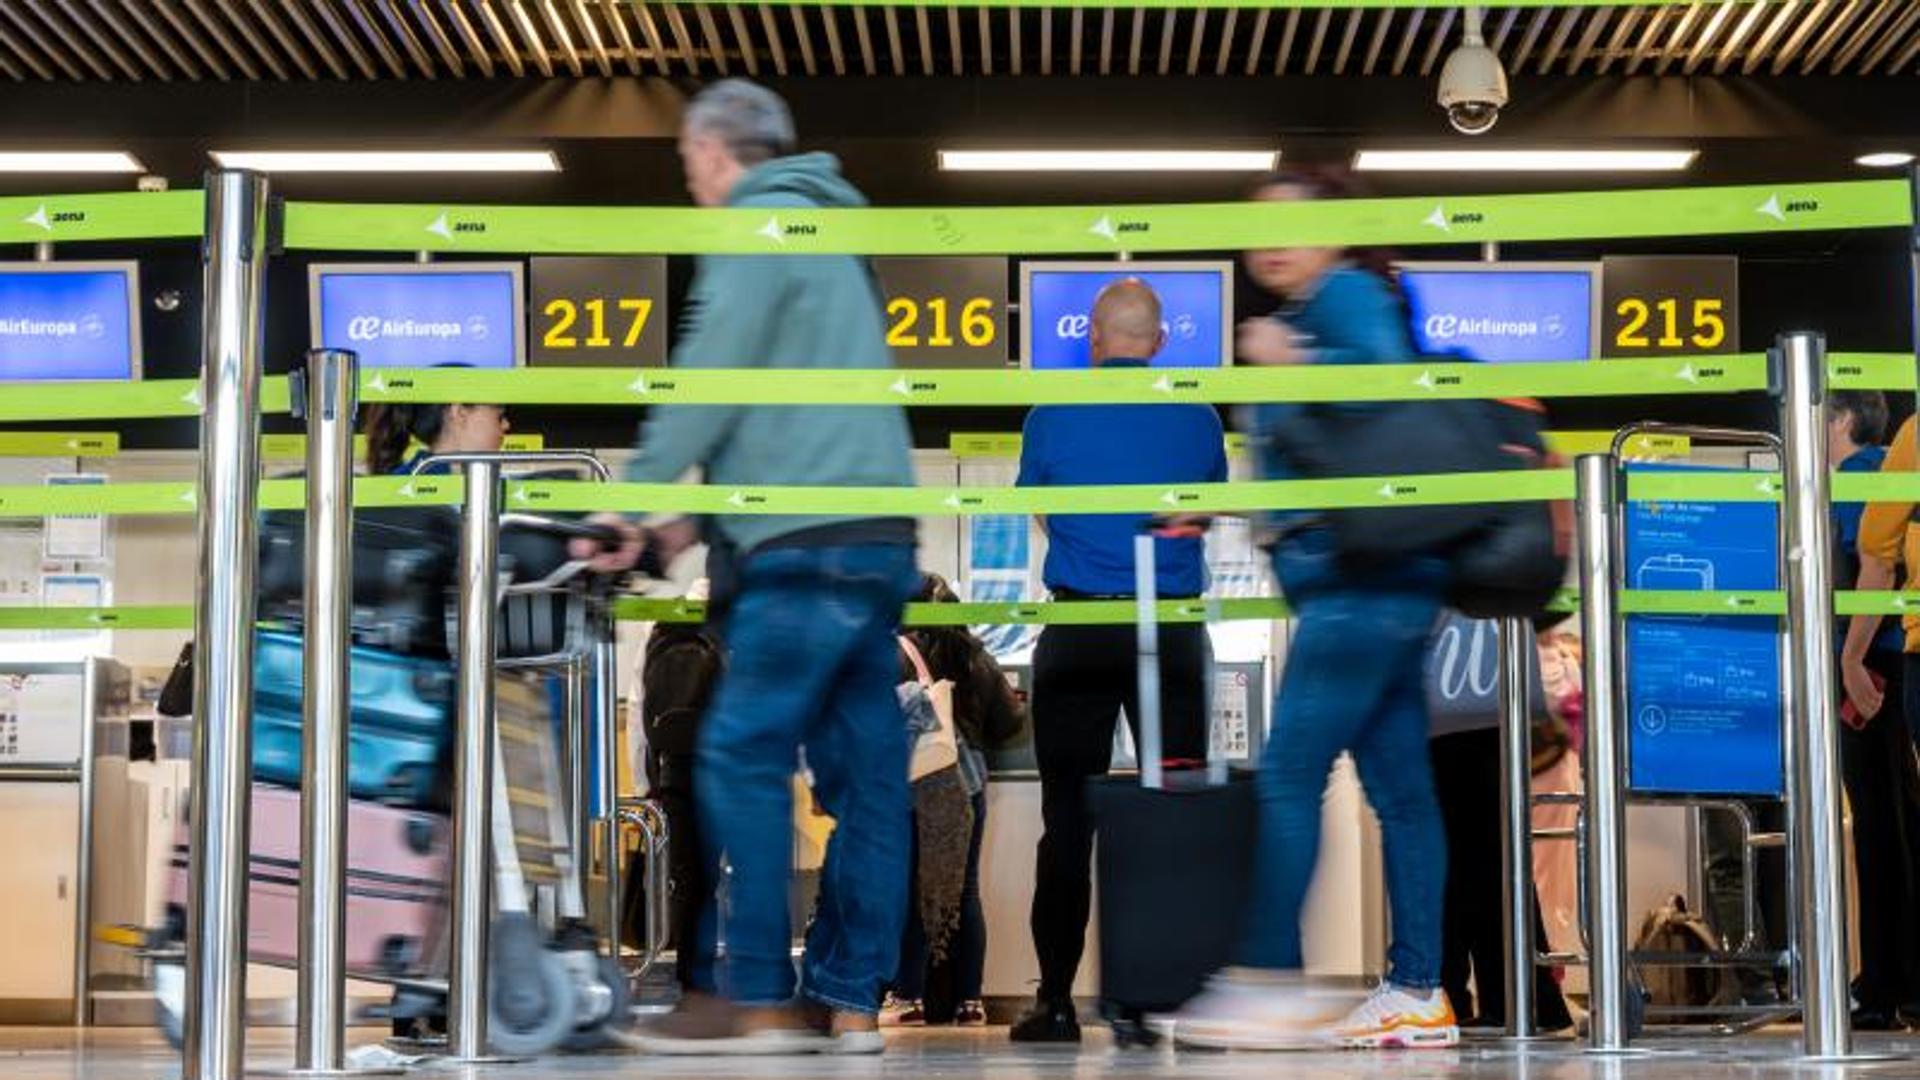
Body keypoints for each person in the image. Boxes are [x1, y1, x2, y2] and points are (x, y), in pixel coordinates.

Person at [579, 78, 919, 1055]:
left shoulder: (758, 228)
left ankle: (760, 994)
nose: (692, 185)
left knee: (738, 755)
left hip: (803, 555)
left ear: (718, 155)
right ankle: (851, 1002)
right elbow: (793, 415)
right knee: (870, 784)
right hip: (875, 541)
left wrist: (633, 499)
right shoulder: (834, 238)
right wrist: (698, 518)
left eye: (691, 166)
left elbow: (710, 380)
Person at [1171, 166, 1458, 1051]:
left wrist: (1290, 360)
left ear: (1338, 228)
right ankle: (1419, 990)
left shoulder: (1343, 299)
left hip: (1358, 583)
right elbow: (1320, 452)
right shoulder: (1311, 310)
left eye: (1295, 223)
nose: (1274, 241)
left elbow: (1384, 388)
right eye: (1260, 225)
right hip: (1374, 578)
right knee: (1402, 794)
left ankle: (1265, 979)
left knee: (1292, 772)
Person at [1008, 279, 1225, 1043]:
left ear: (1091, 338)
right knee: (1175, 815)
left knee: (1067, 823)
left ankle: (1057, 1003)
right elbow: (1199, 511)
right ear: (1159, 342)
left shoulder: (1049, 414)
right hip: (1169, 632)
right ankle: (1166, 1005)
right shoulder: (1197, 413)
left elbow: (1038, 507)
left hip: (1078, 624)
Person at [1423, 614, 1574, 1033]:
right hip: (1489, 686)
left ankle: (1497, 998)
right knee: (1483, 850)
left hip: (1457, 692)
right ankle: (1513, 997)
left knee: (1466, 853)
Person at [886, 574, 1023, 1028]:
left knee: (912, 888)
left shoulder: (898, 651)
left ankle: (908, 995)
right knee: (964, 890)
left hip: (921, 781)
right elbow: (1007, 721)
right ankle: (970, 1000)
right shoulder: (974, 653)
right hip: (969, 781)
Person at [1834, 390, 1920, 1029]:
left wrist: (1851, 659)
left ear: (1837, 420)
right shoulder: (1898, 455)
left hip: (1874, 667)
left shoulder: (1853, 482)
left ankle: (1887, 982)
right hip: (1896, 659)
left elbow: (1874, 564)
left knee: (1878, 824)